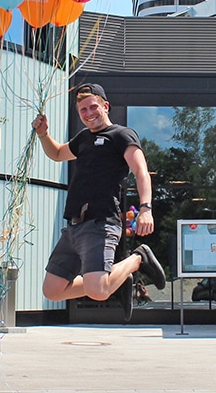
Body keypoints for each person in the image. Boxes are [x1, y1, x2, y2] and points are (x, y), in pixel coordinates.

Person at [32, 83, 166, 322]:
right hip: (74, 226)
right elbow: (58, 154)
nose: (88, 113)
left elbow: (141, 172)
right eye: (83, 110)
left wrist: (146, 208)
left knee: (99, 291)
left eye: (93, 107)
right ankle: (118, 277)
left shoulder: (121, 135)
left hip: (100, 222)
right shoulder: (83, 138)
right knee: (52, 290)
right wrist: (43, 134)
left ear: (105, 106)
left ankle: (138, 258)